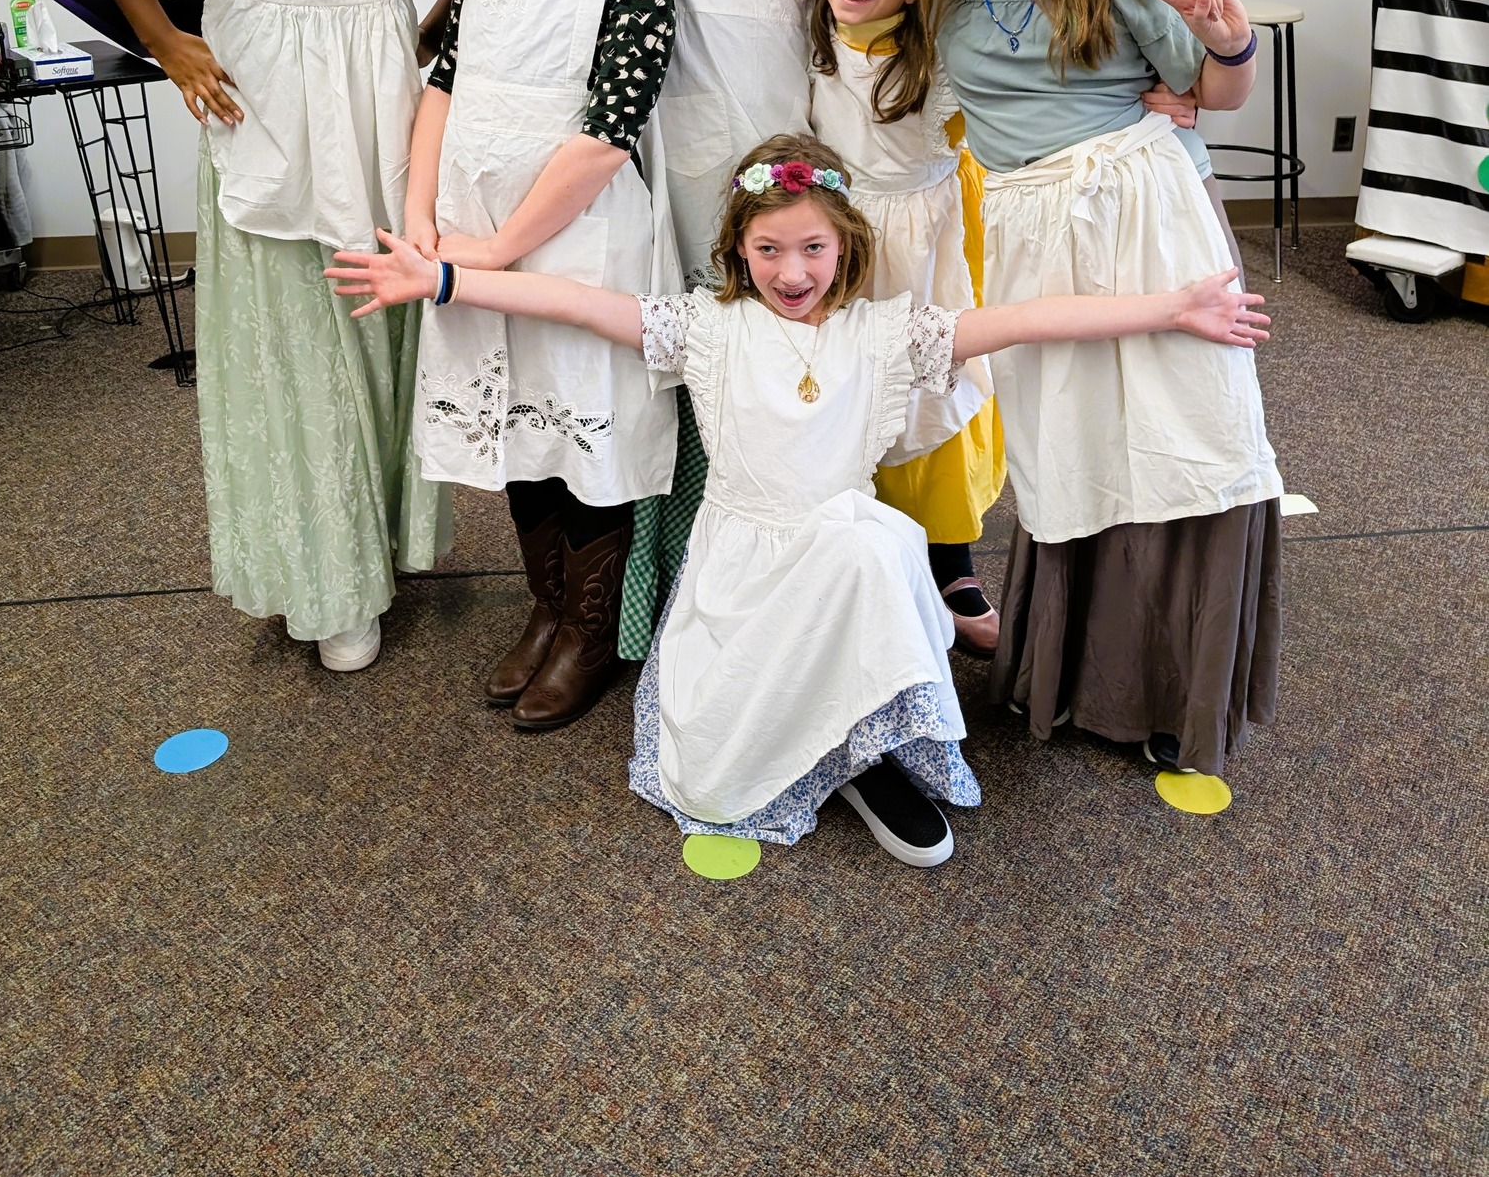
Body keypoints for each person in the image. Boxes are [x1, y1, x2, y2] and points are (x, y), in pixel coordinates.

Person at [327, 133, 1270, 866]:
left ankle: (868, 750)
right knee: (756, 716)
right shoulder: (704, 328)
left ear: (844, 245)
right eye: (769, 248)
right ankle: (842, 749)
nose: (791, 271)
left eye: (811, 247)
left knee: (877, 543)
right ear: (739, 249)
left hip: (843, 559)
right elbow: (575, 302)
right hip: (744, 573)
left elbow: (1026, 321)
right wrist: (442, 278)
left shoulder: (886, 333)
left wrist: (1169, 309)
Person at [446, 0, 884, 658]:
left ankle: (777, 592)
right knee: (672, 379)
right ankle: (648, 610)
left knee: (775, 374)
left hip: (786, 155)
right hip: (673, 160)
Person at [65, 0, 491, 672]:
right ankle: (325, 576)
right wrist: (163, 38)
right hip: (265, 138)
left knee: (382, 349)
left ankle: (384, 547)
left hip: (383, 135)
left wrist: (437, 23)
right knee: (297, 363)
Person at [919, 0, 1284, 776]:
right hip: (1036, 232)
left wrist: (1233, 45)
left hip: (1151, 209)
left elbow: (1212, 90)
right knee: (1070, 439)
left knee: (1183, 426)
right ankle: (1074, 676)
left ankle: (1176, 692)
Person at [409, 0, 678, 730]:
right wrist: (423, 219)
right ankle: (545, 604)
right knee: (515, 420)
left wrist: (498, 246)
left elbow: (605, 136)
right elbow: (444, 82)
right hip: (469, 231)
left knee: (578, 428)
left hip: (571, 240)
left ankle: (591, 631)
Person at [806, 0, 1005, 655]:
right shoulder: (810, 31)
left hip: (924, 247)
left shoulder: (944, 51)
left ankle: (949, 561)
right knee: (850, 399)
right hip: (838, 246)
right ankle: (860, 553)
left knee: (934, 395)